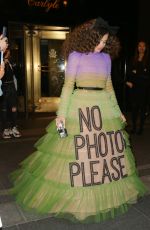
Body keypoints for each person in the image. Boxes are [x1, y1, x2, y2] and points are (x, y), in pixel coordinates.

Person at [10, 17, 147, 223]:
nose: (102, 45)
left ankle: (103, 194)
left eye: (105, 42)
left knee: (102, 151)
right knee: (81, 153)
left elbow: (109, 87)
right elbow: (68, 86)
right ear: (90, 37)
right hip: (81, 106)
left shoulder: (106, 59)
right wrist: (61, 114)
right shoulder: (75, 56)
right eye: (99, 41)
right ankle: (77, 200)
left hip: (103, 108)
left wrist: (118, 111)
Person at [126, 40, 150, 135]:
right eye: (140, 46)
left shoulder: (148, 60)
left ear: (146, 48)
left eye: (143, 46)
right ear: (137, 47)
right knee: (134, 108)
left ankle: (140, 128)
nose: (141, 47)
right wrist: (129, 80)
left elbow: (147, 75)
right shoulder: (133, 59)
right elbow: (129, 72)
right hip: (134, 88)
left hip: (144, 88)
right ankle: (134, 127)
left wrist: (137, 72)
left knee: (142, 109)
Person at [0, 48, 21, 139]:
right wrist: (3, 63)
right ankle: (5, 129)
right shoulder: (1, 62)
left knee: (14, 108)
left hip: (12, 87)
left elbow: (17, 73)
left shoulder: (11, 62)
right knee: (4, 109)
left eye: (8, 50)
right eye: (7, 51)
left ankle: (14, 127)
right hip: (3, 88)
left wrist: (12, 63)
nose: (8, 52)